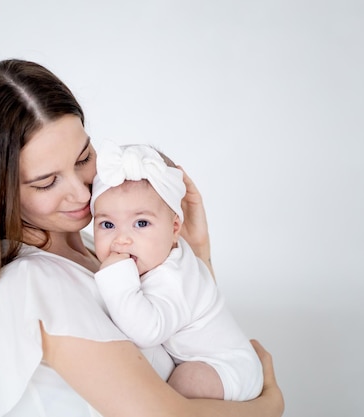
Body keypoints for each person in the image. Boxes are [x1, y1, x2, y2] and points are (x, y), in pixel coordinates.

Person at [0, 58, 284, 417]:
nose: (82, 195)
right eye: (47, 182)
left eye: (83, 159)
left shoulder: (94, 250)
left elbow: (189, 337)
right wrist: (270, 404)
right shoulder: (35, 283)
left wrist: (193, 252)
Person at [90, 142, 263, 401]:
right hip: (213, 363)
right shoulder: (161, 255)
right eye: (107, 224)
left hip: (228, 368)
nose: (122, 239)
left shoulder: (173, 276)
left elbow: (147, 332)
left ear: (174, 228)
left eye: (141, 223)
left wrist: (115, 279)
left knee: (185, 383)